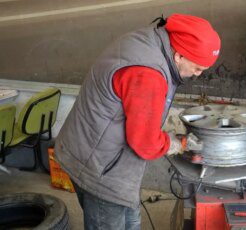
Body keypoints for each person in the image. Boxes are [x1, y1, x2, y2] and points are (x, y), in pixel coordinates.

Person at [54, 13, 221, 230]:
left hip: (92, 149)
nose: (197, 74)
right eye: (198, 68)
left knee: (131, 221)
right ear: (179, 55)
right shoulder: (148, 74)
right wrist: (177, 143)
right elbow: (145, 143)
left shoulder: (150, 40)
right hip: (99, 169)